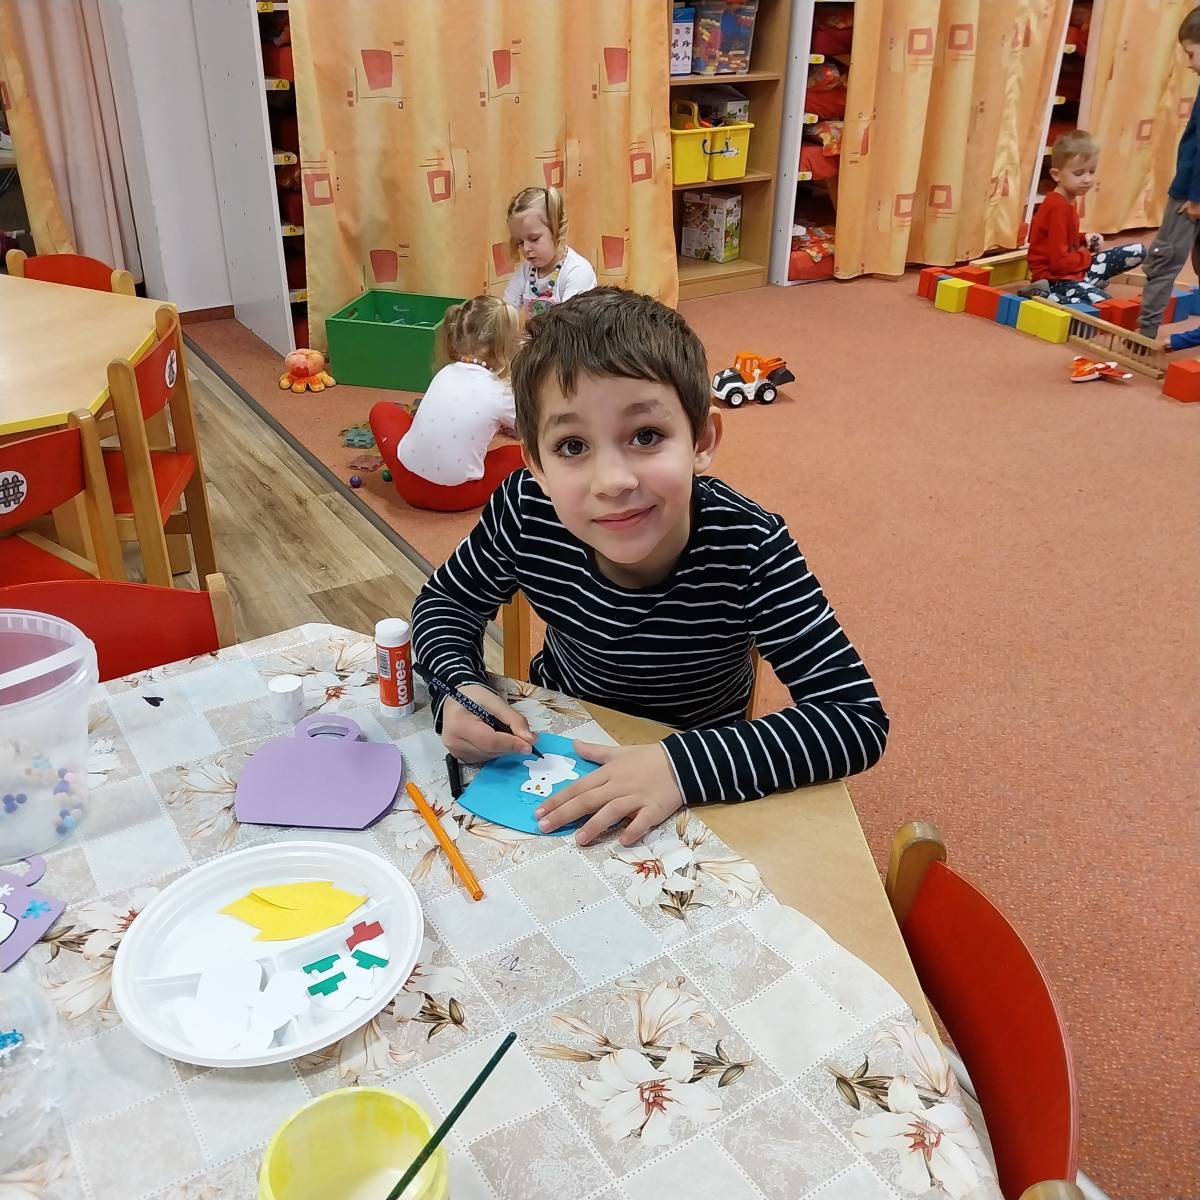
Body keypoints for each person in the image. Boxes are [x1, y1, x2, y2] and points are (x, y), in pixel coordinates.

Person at [410, 288, 887, 847]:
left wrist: (680, 766)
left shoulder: (750, 544)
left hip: (695, 765)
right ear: (535, 463)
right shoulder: (526, 508)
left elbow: (854, 718)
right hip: (560, 737)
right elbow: (445, 602)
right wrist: (457, 685)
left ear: (701, 441)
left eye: (646, 436)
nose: (613, 481)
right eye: (572, 446)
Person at [369, 297, 524, 512]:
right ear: (506, 345)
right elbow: (534, 431)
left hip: (407, 483)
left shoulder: (446, 371)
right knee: (521, 454)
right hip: (458, 496)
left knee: (382, 411)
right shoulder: (502, 391)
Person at [1027, 130, 1144, 305]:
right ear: (1056, 175)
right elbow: (1059, 264)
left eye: (1091, 171)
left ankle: (1084, 286)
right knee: (1105, 304)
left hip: (1073, 271)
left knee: (1138, 250)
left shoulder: (1069, 200)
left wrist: (1084, 239)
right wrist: (1086, 255)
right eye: (1079, 173)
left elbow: (1064, 242)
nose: (1087, 179)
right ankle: (1046, 294)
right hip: (1055, 279)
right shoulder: (1057, 207)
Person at [1140, 8, 1200, 338]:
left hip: (1190, 195)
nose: (1189, 63)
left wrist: (1196, 196)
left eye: (1191, 54)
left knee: (1164, 258)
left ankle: (1144, 333)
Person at [502, 186, 597, 317]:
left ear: (556, 229)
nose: (526, 248)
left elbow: (570, 326)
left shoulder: (577, 272)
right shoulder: (526, 270)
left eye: (534, 239)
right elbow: (505, 312)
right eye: (520, 242)